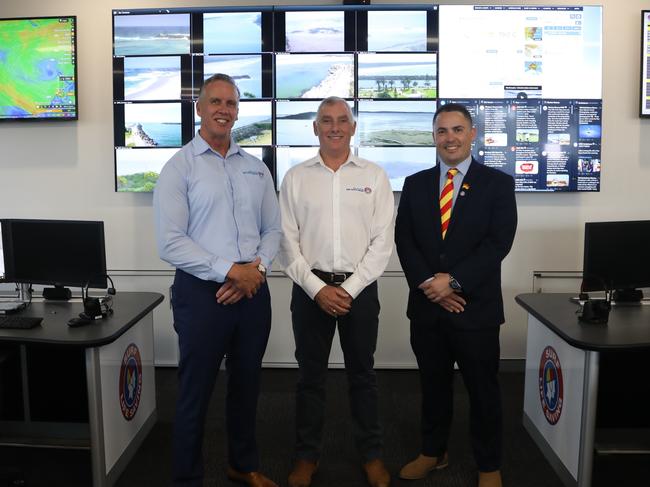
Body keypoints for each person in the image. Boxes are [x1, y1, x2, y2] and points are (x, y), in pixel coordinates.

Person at [153, 73, 282, 487]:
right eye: (216, 102)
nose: (224, 110)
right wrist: (231, 271)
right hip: (202, 292)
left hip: (253, 290)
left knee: (247, 385)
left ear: (237, 111)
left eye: (231, 104)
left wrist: (255, 269)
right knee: (195, 390)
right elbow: (171, 243)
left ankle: (242, 465)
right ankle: (186, 477)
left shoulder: (255, 168)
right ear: (200, 108)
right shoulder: (179, 168)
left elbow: (273, 229)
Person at [394, 103, 517, 487]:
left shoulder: (497, 184)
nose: (450, 138)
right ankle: (434, 451)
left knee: (483, 391)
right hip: (428, 308)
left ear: (473, 134)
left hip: (474, 310)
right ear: (433, 137)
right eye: (442, 131)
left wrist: (455, 282)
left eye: (458, 130)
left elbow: (498, 243)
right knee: (433, 387)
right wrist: (433, 285)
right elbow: (404, 240)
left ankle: (488, 464)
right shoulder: (415, 184)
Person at [277, 97, 395, 487]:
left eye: (342, 120)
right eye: (325, 121)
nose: (334, 127)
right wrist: (317, 289)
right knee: (310, 378)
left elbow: (382, 243)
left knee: (363, 376)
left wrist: (349, 289)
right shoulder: (295, 178)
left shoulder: (375, 176)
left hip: (360, 291)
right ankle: (306, 457)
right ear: (314, 128)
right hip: (310, 292)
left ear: (353, 127)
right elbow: (286, 244)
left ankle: (372, 456)